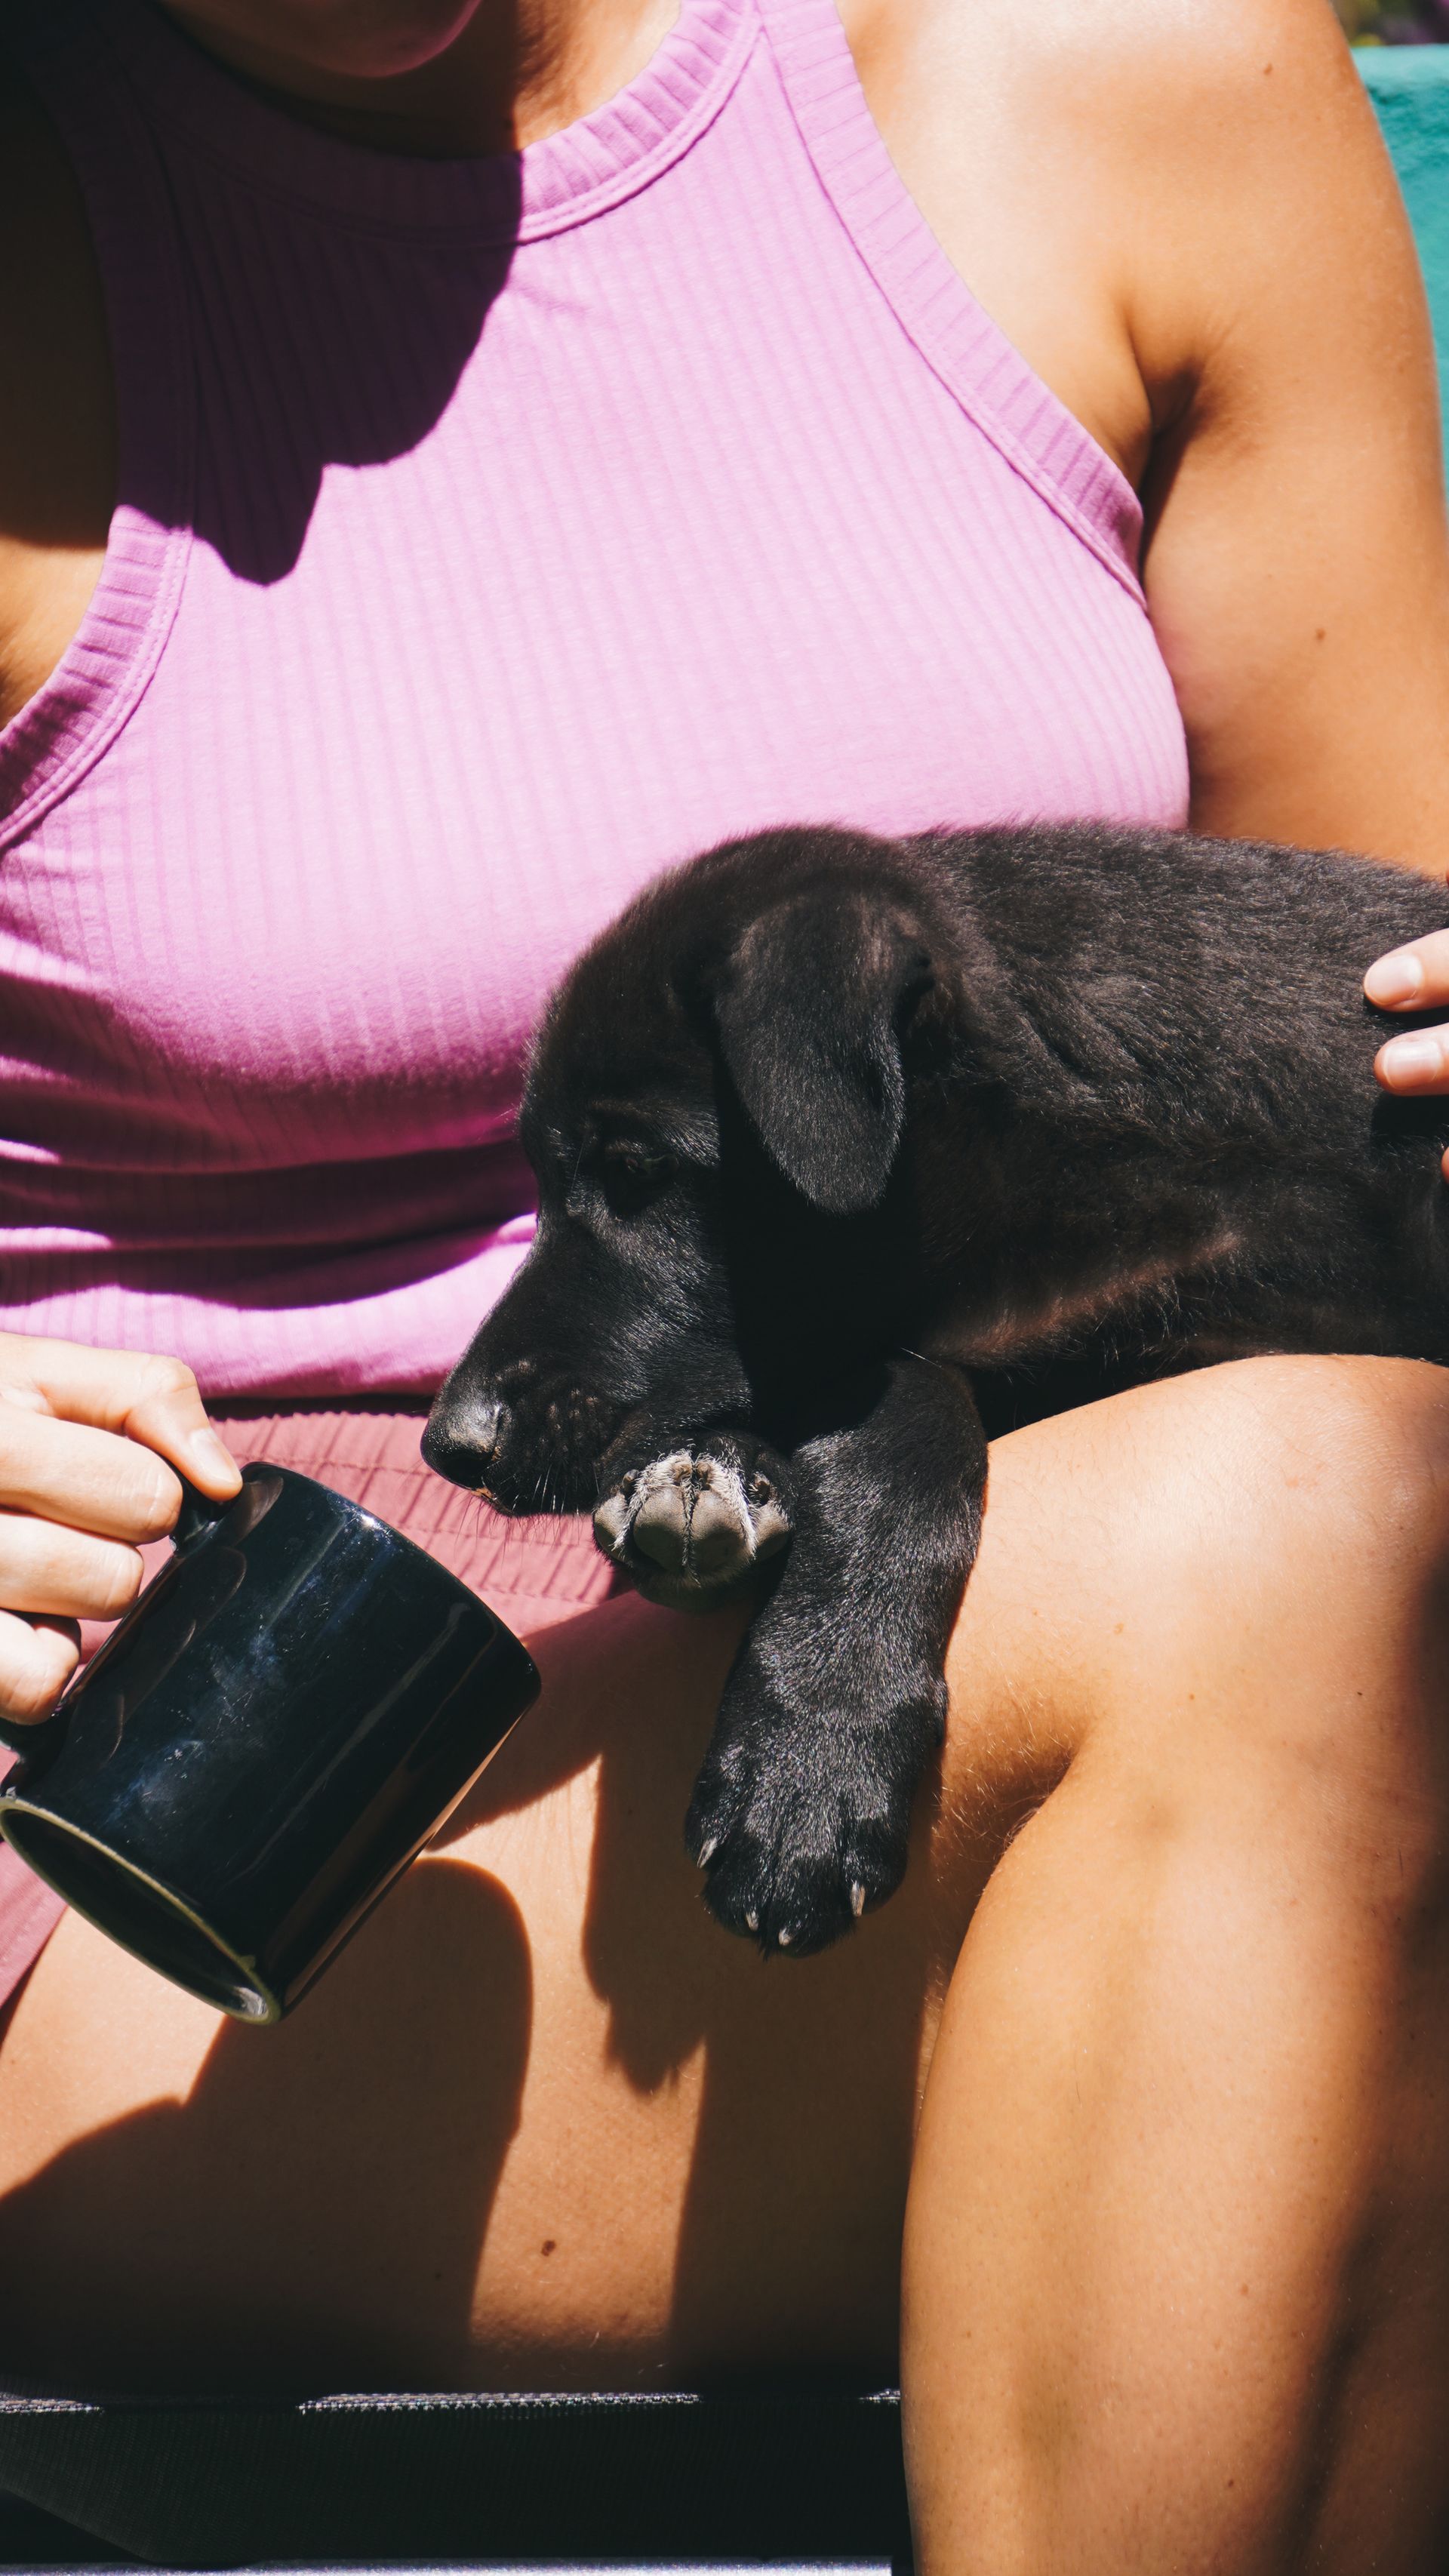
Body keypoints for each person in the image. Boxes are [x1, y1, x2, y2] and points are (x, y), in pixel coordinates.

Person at [2, 0, 1449, 2562]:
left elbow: (1368, 1039)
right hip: (198, 1814)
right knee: (1327, 1546)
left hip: (1012, 1626)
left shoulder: (1123, 75)